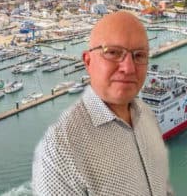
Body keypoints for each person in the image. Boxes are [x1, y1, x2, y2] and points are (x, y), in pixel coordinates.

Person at [32, 11, 174, 196]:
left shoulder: (147, 115)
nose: (128, 68)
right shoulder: (61, 148)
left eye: (139, 55)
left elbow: (161, 185)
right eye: (113, 52)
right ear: (88, 61)